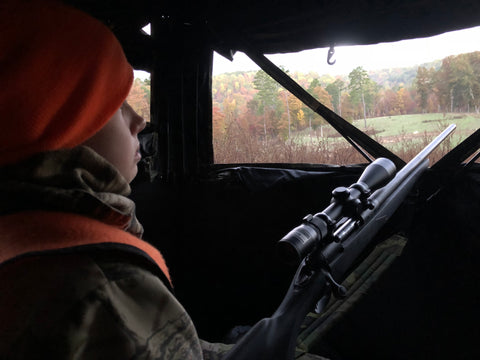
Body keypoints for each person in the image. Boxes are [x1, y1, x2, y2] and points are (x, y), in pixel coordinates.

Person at [0, 1, 329, 359]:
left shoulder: (25, 236)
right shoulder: (100, 290)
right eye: (116, 102)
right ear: (63, 122)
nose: (139, 120)